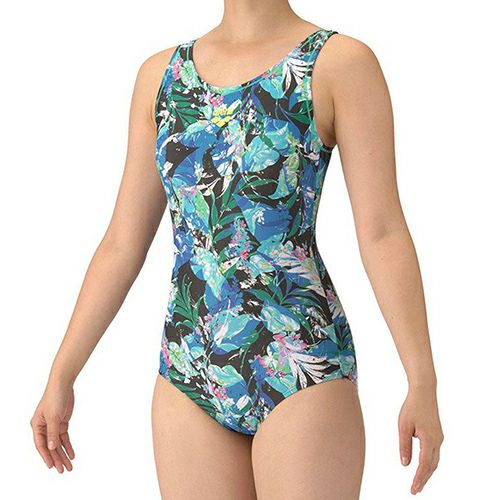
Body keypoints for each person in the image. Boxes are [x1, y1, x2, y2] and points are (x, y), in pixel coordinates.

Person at [30, 1, 444, 498]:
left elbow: (382, 232)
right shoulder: (162, 77)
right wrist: (62, 374)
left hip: (299, 360)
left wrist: (422, 381)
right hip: (188, 367)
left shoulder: (338, 63)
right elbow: (121, 242)